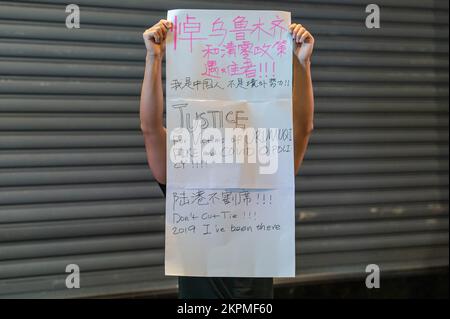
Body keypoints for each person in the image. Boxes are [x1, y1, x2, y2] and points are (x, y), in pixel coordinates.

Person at [140, 19, 315, 299]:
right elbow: (150, 128)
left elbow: (302, 129)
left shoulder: (265, 175)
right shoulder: (186, 177)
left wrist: (301, 64)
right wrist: (154, 58)